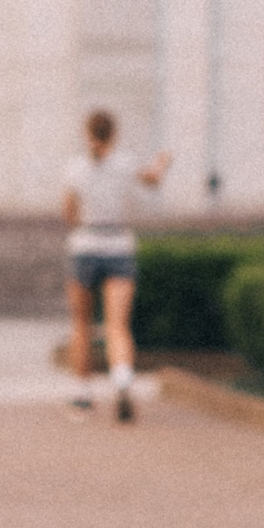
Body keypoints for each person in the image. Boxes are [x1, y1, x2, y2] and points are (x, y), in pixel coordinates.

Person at [62, 108, 170, 420]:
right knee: (117, 325)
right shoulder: (126, 163)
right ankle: (122, 379)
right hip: (119, 244)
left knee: (81, 324)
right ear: (114, 133)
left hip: (85, 244)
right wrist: (163, 162)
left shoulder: (75, 168)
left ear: (87, 133)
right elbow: (152, 181)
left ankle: (83, 394)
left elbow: (68, 212)